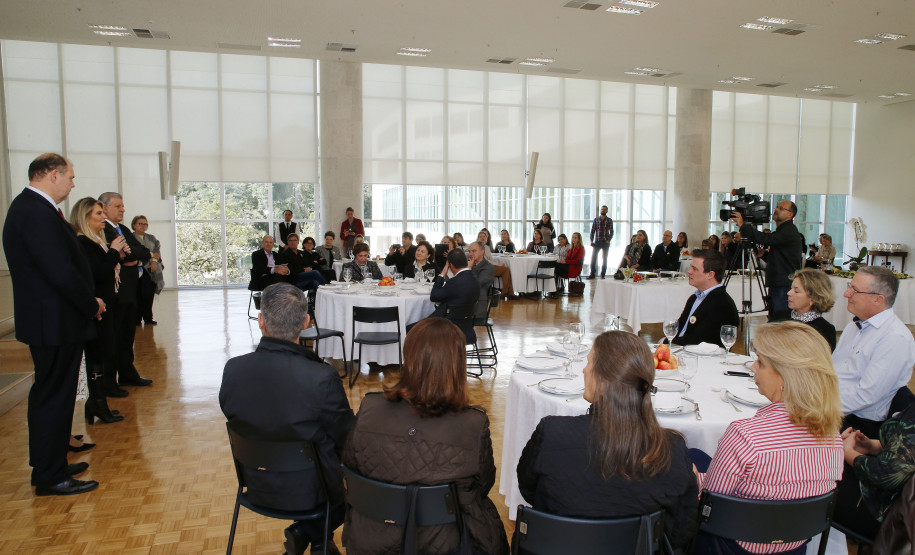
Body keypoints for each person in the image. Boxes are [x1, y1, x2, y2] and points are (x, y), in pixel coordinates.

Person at [517, 331, 698, 551]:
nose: (584, 370)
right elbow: (680, 531)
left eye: (589, 362)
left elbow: (529, 491)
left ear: (602, 381)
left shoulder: (552, 433)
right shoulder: (671, 449)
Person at [342, 318, 509, 555]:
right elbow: (482, 485)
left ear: (408, 358)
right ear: (457, 364)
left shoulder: (369, 408)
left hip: (372, 538)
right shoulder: (473, 423)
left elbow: (351, 467)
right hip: (446, 542)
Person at [219, 283, 354, 555]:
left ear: (260, 321)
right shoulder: (320, 378)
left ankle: (310, 535)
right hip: (315, 492)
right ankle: (315, 538)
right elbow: (346, 439)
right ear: (306, 323)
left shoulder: (233, 370)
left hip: (257, 483)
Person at [692, 321, 844, 554]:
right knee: (697, 456)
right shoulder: (833, 437)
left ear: (784, 376)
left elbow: (709, 505)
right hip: (795, 544)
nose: (753, 367)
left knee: (687, 457)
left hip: (732, 544)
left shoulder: (746, 435)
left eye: (761, 362)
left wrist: (693, 478)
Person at [3, 153, 104, 496]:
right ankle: (49, 475)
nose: (73, 183)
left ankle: (53, 463)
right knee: (54, 398)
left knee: (53, 395)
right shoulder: (34, 211)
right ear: (51, 175)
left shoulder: (32, 209)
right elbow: (60, 272)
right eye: (70, 177)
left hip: (53, 320)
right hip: (55, 322)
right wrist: (90, 304)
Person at [833, 266, 915, 439]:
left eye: (854, 290)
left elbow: (866, 396)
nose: (846, 293)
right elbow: (833, 371)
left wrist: (817, 408)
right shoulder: (853, 327)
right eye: (850, 286)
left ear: (878, 300)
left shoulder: (894, 338)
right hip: (836, 409)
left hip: (859, 424)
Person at [71, 198, 127, 425]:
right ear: (84, 218)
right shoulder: (83, 243)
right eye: (97, 214)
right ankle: (97, 403)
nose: (103, 217)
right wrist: (114, 252)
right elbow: (99, 272)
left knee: (103, 353)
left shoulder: (97, 242)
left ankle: (97, 402)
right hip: (96, 307)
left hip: (106, 303)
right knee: (97, 354)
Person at [834, 401, 915, 541]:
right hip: (902, 509)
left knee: (813, 476)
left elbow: (889, 475)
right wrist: (874, 447)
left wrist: (850, 455)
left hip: (895, 519)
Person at [100, 192, 153, 391]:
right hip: (116, 293)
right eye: (118, 206)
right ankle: (109, 381)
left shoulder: (122, 229)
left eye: (123, 206)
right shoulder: (102, 229)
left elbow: (143, 252)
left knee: (127, 336)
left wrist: (134, 258)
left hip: (130, 290)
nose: (123, 209)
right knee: (114, 337)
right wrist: (126, 257)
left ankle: (128, 373)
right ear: (104, 208)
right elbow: (115, 257)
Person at [732, 201, 803, 321]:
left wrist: (743, 225)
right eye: (777, 207)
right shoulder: (783, 229)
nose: (777, 209)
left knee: (780, 320)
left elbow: (766, 239)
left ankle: (780, 340)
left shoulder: (789, 230)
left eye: (781, 208)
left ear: (790, 214)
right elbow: (782, 256)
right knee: (775, 317)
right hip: (779, 282)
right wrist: (764, 255)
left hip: (783, 284)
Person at [669, 249, 739, 347]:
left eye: (694, 268)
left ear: (710, 274)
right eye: (690, 267)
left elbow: (700, 341)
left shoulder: (722, 304)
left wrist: (667, 344)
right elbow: (680, 328)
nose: (689, 271)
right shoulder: (694, 298)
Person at [429, 249, 480, 342]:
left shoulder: (454, 282)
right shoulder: (475, 279)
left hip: (447, 327)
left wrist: (442, 273)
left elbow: (434, 296)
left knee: (409, 329)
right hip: (466, 327)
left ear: (450, 265)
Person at [787, 269, 837, 350]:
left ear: (813, 298)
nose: (789, 293)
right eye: (791, 288)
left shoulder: (824, 330)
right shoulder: (779, 317)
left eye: (796, 291)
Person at [131, 215, 163, 326]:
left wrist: (154, 262)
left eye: (145, 224)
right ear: (134, 225)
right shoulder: (131, 237)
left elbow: (156, 252)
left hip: (151, 269)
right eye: (140, 223)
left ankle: (148, 317)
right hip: (137, 269)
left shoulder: (151, 238)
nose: (143, 226)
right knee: (138, 295)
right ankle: (136, 318)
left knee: (149, 295)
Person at [468, 241, 494, 319]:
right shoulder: (469, 263)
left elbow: (476, 284)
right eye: (469, 251)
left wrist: (468, 269)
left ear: (482, 252)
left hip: (477, 305)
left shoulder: (488, 267)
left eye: (474, 251)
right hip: (466, 301)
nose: (471, 254)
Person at [588, 204, 614, 279]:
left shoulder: (609, 220)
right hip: (597, 242)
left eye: (604, 209)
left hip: (605, 242)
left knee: (604, 258)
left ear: (607, 211)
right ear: (600, 210)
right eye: (602, 209)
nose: (603, 210)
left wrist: (609, 239)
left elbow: (612, 231)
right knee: (593, 258)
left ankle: (603, 274)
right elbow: (593, 230)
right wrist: (591, 240)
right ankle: (592, 274)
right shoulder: (596, 219)